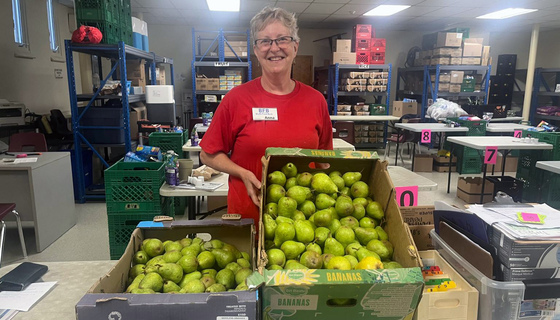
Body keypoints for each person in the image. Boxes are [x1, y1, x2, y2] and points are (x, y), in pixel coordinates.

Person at [199, 6, 333, 223]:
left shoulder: (316, 100)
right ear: (256, 49)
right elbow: (208, 154)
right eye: (265, 41)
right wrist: (241, 172)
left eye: (282, 39)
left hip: (305, 224)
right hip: (247, 218)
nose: (274, 48)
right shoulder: (236, 99)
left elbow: (325, 161)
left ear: (295, 46)